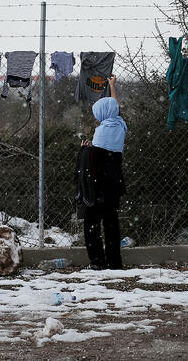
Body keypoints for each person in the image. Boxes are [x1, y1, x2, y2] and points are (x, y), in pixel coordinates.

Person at [75, 75, 126, 270]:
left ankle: (97, 261)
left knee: (92, 223)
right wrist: (112, 86)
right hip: (114, 183)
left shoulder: (101, 131)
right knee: (111, 223)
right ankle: (114, 262)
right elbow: (115, 107)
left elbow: (94, 157)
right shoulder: (120, 126)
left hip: (99, 185)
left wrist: (85, 148)